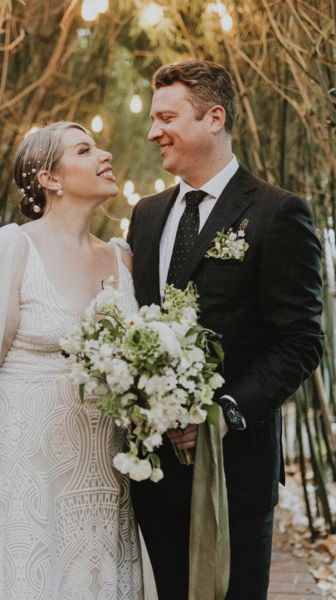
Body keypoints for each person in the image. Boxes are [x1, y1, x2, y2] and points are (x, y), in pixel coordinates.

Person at [127, 60, 324, 600]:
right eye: (152, 118)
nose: (152, 132)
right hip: (154, 472)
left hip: (235, 472)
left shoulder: (277, 213)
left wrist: (223, 415)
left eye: (167, 117)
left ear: (214, 118)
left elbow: (302, 339)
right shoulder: (144, 216)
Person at [0, 122, 145, 600]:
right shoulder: (10, 249)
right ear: (50, 178)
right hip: (24, 474)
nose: (105, 154)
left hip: (101, 473)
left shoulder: (122, 259)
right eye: (85, 149)